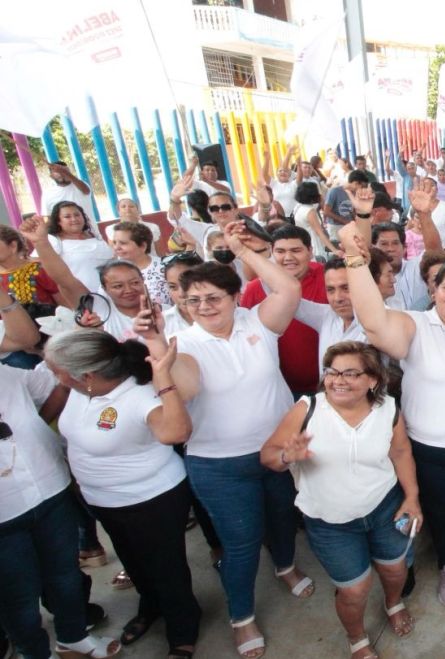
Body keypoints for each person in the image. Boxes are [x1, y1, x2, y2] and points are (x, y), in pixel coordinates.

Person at [134, 221, 314, 659]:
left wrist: (241, 250)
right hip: (220, 467)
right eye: (193, 299)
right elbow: (186, 387)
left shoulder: (259, 322)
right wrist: (157, 344)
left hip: (276, 451)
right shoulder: (184, 345)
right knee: (241, 542)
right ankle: (242, 616)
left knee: (283, 519)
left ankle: (286, 567)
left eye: (214, 297)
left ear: (236, 297)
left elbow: (288, 288)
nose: (204, 306)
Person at [342, 222, 445, 608]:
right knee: (440, 511)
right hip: (429, 447)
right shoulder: (414, 324)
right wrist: (353, 257)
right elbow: (372, 320)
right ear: (432, 290)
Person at [44, 331, 200, 659]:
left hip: (151, 500)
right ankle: (150, 606)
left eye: (57, 370)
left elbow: (176, 432)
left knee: (166, 567)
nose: (52, 375)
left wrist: (163, 379)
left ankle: (183, 629)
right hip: (104, 500)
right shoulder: (81, 390)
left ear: (86, 375)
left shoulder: (140, 394)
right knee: (133, 560)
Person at [259, 342, 421, 659]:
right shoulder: (307, 408)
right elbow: (269, 455)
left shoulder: (388, 409)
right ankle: (357, 637)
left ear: (373, 380)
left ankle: (393, 602)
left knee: (394, 570)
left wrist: (412, 498)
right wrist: (285, 455)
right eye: (332, 372)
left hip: (384, 508)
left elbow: (401, 452)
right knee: (354, 590)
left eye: (350, 373)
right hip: (330, 522)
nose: (338, 380)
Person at [0, 357, 122, 659]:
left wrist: (37, 427)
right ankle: (34, 654)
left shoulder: (5, 374)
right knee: (18, 597)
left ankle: (73, 638)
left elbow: (57, 385)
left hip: (49, 488)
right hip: (4, 513)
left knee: (65, 574)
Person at [239, 225, 327, 398]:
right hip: (278, 390)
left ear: (310, 251)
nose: (288, 258)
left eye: (296, 250)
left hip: (329, 387)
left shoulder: (330, 278)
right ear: (272, 252)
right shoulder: (256, 288)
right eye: (280, 251)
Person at [39, 201, 114, 293]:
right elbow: (40, 262)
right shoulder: (53, 240)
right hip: (81, 297)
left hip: (111, 293)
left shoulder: (94, 235)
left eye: (77, 215)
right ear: (58, 221)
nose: (74, 219)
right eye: (67, 217)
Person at [109, 221, 169, 308]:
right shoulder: (111, 273)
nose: (116, 248)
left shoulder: (165, 267)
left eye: (123, 243)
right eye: (114, 243)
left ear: (142, 246)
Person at [291, 182, 336, 260]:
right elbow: (320, 233)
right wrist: (334, 250)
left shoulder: (297, 207)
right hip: (315, 245)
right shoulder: (310, 211)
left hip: (304, 242)